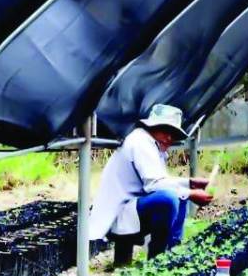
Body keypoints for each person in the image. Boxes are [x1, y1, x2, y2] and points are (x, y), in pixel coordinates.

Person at [89, 104, 213, 266]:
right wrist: (191, 193)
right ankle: (158, 261)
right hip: (120, 213)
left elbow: (159, 179)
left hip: (130, 208)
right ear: (153, 127)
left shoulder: (148, 143)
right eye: (166, 131)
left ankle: (172, 253)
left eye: (173, 134)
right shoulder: (141, 143)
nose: (169, 138)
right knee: (168, 199)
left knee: (178, 194)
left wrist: (189, 183)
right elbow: (155, 184)